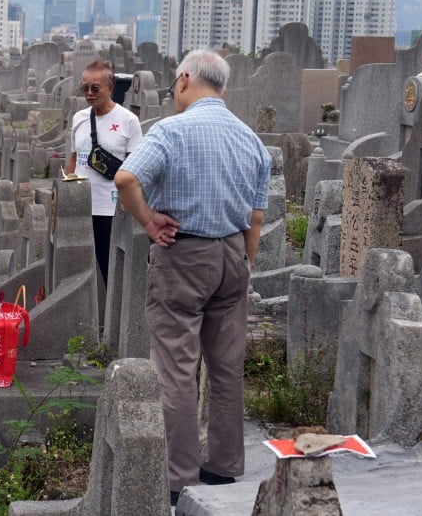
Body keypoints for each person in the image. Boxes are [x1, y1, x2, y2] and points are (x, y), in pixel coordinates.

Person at [114, 50, 272, 507]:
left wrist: (148, 221)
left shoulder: (171, 130)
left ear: (185, 79)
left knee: (177, 368)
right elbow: (257, 216)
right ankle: (224, 466)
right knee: (226, 368)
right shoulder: (250, 139)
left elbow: (126, 179)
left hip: (184, 252)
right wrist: (246, 262)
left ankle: (177, 476)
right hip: (233, 253)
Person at [66, 59, 142, 291]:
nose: (89, 93)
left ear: (110, 87)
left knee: (110, 270)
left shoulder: (128, 121)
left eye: (95, 88)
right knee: (76, 269)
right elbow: (73, 158)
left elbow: (136, 167)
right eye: (85, 88)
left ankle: (110, 323)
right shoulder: (79, 118)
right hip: (79, 206)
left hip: (109, 208)